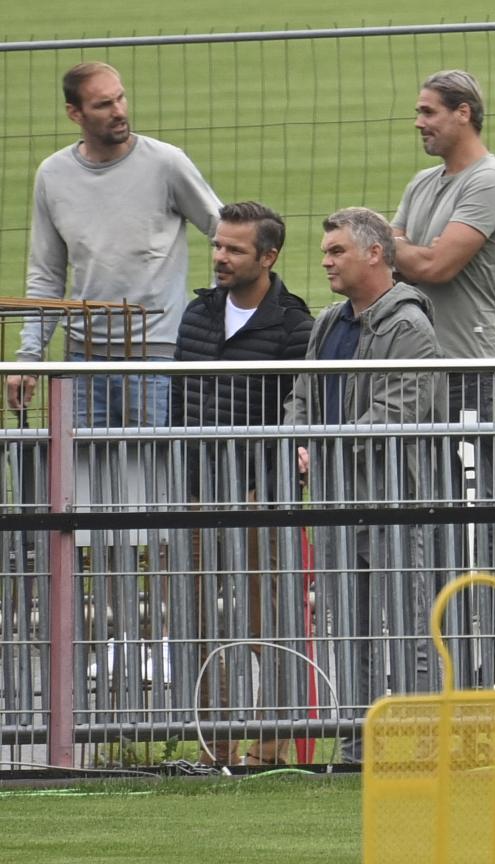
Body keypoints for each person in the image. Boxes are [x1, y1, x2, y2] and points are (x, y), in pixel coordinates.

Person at [284, 207, 444, 762]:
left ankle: (421, 743)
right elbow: (301, 396)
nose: (326, 261)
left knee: (408, 627)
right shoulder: (330, 322)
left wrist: (317, 447)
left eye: (337, 252)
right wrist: (298, 438)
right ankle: (357, 746)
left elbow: (395, 414)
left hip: (393, 503)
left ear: (375, 254)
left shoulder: (409, 327)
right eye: (326, 252)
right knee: (347, 631)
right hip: (334, 503)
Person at [173, 201, 313, 766]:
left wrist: (268, 483)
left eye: (234, 248)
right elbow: (181, 404)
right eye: (217, 245)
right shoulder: (197, 313)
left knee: (264, 621)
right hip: (199, 490)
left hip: (261, 494)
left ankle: (272, 744)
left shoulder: (294, 325)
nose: (220, 257)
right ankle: (216, 745)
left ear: (268, 256)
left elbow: (301, 414)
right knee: (200, 620)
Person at [9, 61, 220, 426]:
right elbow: (46, 275)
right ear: (74, 113)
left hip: (155, 356)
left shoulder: (166, 163)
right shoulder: (53, 175)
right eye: (104, 104)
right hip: (81, 360)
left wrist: (211, 316)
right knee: (80, 476)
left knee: (154, 475)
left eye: (120, 98)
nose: (119, 111)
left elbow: (226, 232)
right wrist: (28, 358)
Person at [391, 68, 495, 418]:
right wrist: (411, 251)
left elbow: (436, 267)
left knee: (466, 473)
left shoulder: (490, 181)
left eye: (428, 112)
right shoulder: (421, 182)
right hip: (411, 364)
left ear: (463, 113)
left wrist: (402, 249)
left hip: (464, 365)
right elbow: (388, 264)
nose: (418, 122)